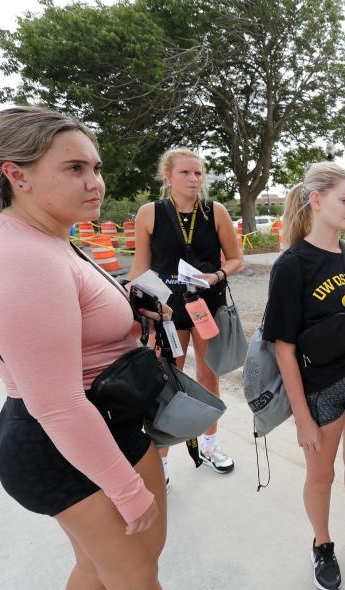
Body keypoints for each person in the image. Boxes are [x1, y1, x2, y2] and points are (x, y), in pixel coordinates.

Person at [0, 106, 169, 590]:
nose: (95, 183)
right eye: (75, 169)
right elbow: (54, 402)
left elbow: (71, 318)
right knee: (134, 582)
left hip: (90, 426)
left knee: (100, 573)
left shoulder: (47, 236)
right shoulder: (21, 259)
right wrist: (126, 488)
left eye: (95, 168)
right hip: (68, 438)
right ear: (17, 174)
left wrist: (129, 307)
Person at [262, 161, 345, 590]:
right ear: (316, 200)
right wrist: (301, 417)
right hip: (318, 390)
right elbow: (282, 346)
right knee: (321, 476)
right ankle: (323, 544)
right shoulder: (292, 265)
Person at [127, 149, 243, 485]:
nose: (194, 179)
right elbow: (140, 267)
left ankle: (209, 445)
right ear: (168, 176)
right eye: (186, 173)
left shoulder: (214, 211)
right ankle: (161, 462)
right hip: (167, 311)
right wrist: (127, 296)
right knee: (168, 384)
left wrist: (216, 276)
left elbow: (236, 259)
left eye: (198, 173)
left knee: (209, 379)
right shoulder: (150, 213)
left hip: (207, 307)